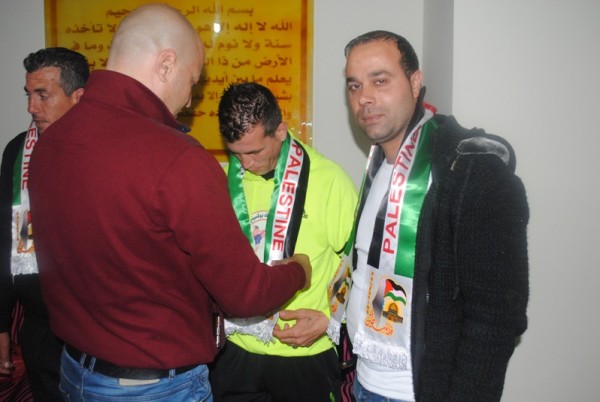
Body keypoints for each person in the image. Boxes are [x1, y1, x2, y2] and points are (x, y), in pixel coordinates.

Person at [28, 4, 312, 401]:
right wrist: (299, 270)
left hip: (75, 372)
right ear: (166, 65)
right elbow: (245, 294)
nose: (190, 99)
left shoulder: (49, 143)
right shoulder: (177, 158)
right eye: (192, 81)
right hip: (153, 386)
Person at [330, 30, 529, 402]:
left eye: (380, 80)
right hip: (363, 382)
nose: (364, 97)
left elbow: (496, 319)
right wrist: (332, 319)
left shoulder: (473, 171)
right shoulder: (378, 165)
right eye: (354, 85)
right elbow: (372, 273)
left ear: (415, 82)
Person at [209, 82, 358, 402]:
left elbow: (357, 263)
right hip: (236, 351)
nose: (245, 164)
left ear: (280, 131)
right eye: (235, 153)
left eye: (254, 152)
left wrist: (331, 321)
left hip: (306, 353)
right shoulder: (223, 181)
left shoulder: (329, 180)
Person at [0, 47, 89, 401]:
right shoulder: (18, 152)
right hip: (40, 326)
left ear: (78, 97)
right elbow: (5, 239)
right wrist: (1, 323)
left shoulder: (105, 153)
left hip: (93, 326)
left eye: (43, 95)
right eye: (29, 94)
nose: (31, 107)